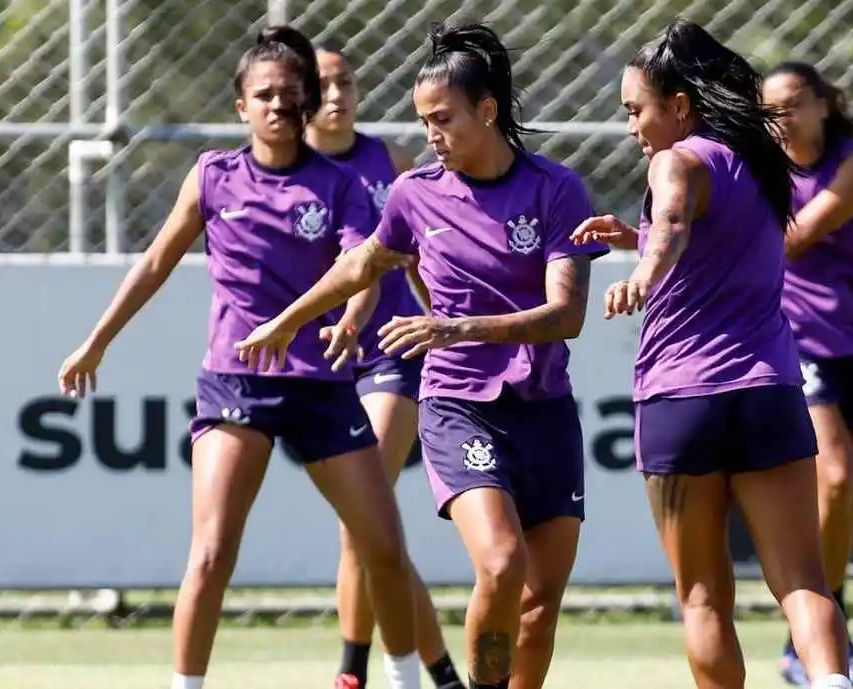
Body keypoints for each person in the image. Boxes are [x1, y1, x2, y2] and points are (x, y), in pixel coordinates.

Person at [234, 22, 609, 689]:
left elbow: (567, 315)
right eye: (422, 121)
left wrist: (458, 325)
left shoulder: (557, 190)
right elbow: (360, 266)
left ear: (486, 110)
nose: (430, 134)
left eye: (443, 119)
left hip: (544, 407)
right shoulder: (416, 193)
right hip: (458, 403)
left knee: (539, 602)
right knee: (500, 564)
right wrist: (286, 321)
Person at [56, 26, 424, 689]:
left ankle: (401, 679)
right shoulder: (213, 176)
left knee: (384, 546)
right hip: (237, 384)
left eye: (291, 95)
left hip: (319, 384)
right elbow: (155, 261)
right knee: (212, 550)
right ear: (241, 108)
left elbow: (359, 265)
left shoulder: (337, 183)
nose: (279, 106)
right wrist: (97, 339)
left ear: (307, 103)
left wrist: (349, 315)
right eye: (265, 95)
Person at [571, 19, 853, 689]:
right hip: (768, 393)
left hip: (682, 398)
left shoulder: (677, 161)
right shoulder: (760, 165)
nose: (632, 126)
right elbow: (689, 232)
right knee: (804, 581)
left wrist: (644, 269)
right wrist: (635, 242)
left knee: (702, 594)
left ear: (679, 105)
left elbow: (672, 220)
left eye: (636, 109)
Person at [306, 42, 462, 689]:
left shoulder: (390, 163)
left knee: (361, 521)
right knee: (374, 531)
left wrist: (445, 320)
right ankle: (445, 674)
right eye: (325, 85)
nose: (339, 95)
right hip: (319, 365)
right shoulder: (284, 169)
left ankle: (352, 672)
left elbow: (405, 259)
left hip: (390, 355)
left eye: (348, 81)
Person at [762, 61, 853, 689]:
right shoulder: (763, 170)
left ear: (822, 104)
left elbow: (796, 237)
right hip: (797, 341)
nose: (779, 120)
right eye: (769, 111)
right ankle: (819, 628)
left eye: (790, 106)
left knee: (849, 496)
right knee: (833, 478)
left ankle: (810, 635)